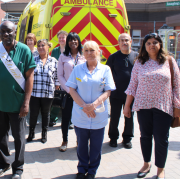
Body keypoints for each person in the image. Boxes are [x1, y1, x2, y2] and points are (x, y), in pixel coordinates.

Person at [0, 21, 36, 179]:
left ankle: (18, 167)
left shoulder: (25, 50)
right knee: (1, 136)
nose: (6, 34)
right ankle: (3, 163)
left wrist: (26, 102)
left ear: (15, 32)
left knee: (19, 137)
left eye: (9, 31)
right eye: (3, 31)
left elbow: (29, 78)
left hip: (17, 104)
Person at [124, 33, 180, 179]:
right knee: (145, 136)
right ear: (144, 46)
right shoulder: (139, 62)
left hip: (164, 107)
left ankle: (160, 169)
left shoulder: (169, 61)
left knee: (161, 139)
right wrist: (127, 105)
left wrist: (177, 107)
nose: (151, 45)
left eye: (155, 42)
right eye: (148, 43)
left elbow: (177, 86)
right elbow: (133, 85)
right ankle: (146, 163)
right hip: (143, 106)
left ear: (160, 44)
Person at [66, 41, 116, 179]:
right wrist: (84, 107)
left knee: (95, 146)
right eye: (86, 50)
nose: (89, 53)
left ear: (98, 51)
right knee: (81, 145)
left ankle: (92, 170)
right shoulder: (77, 69)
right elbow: (71, 89)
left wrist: (93, 105)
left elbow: (108, 91)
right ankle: (82, 169)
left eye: (92, 50)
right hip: (81, 114)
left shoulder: (105, 70)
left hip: (98, 114)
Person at [107, 33, 138, 149]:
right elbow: (107, 73)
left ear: (131, 42)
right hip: (116, 93)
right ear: (119, 43)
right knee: (114, 116)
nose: (124, 42)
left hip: (131, 93)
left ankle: (127, 138)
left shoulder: (137, 56)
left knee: (129, 116)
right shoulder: (113, 57)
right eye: (122, 40)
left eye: (126, 40)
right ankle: (113, 138)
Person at [57, 32, 86, 152]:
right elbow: (60, 75)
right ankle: (64, 140)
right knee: (65, 118)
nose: (73, 42)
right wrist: (69, 90)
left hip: (81, 93)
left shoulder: (84, 56)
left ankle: (80, 141)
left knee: (80, 118)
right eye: (70, 40)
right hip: (68, 93)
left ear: (79, 42)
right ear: (67, 42)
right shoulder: (63, 56)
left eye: (75, 40)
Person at [27, 39, 59, 144]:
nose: (41, 47)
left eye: (43, 45)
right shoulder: (33, 59)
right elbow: (28, 75)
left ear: (48, 47)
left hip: (47, 93)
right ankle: (31, 133)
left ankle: (44, 134)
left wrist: (57, 85)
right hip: (34, 92)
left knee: (46, 114)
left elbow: (57, 76)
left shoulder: (54, 61)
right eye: (39, 46)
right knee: (34, 114)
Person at [49, 30, 68, 127]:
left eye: (63, 37)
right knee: (56, 99)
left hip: (68, 79)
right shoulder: (55, 51)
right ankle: (52, 118)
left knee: (69, 100)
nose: (61, 39)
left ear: (66, 38)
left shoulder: (70, 50)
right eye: (59, 37)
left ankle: (70, 121)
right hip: (57, 78)